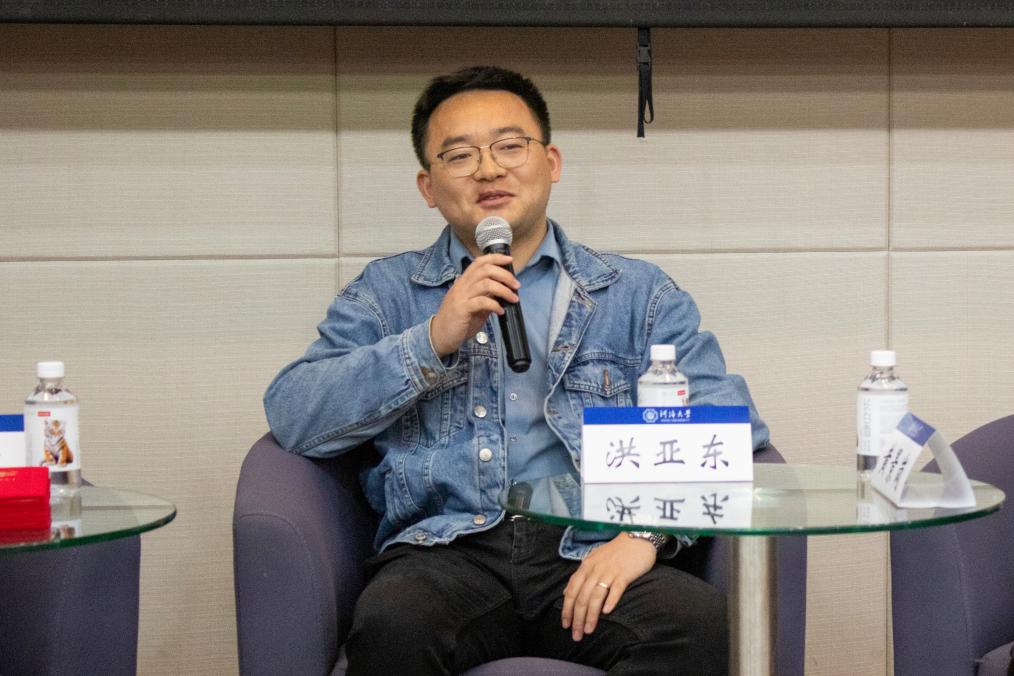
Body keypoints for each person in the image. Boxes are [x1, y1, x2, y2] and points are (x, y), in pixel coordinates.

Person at [264, 65, 768, 675]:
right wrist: (432, 340)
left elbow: (726, 425)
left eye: (509, 146)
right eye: (459, 155)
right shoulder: (387, 293)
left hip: (592, 545)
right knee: (392, 626)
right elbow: (294, 412)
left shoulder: (637, 294)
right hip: (445, 553)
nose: (488, 170)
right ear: (428, 186)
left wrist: (643, 538)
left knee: (693, 624)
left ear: (550, 162)